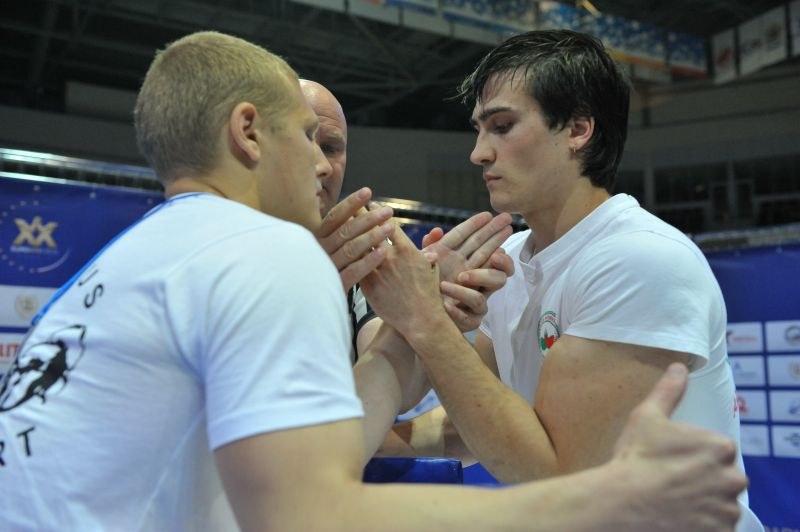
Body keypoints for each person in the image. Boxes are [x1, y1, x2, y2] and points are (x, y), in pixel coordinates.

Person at [0, 30, 746, 531]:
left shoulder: (136, 253)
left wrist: (412, 325)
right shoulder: (264, 250)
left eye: (501, 127)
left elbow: (429, 433)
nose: (325, 167)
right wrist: (604, 496)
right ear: (249, 132)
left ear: (577, 130)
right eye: (308, 139)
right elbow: (309, 510)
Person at [359, 29, 761, 530]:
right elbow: (473, 423)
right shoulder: (507, 255)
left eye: (502, 126)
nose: (479, 153)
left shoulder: (639, 258)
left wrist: (425, 320)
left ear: (577, 129)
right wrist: (348, 447)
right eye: (479, 131)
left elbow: (555, 473)